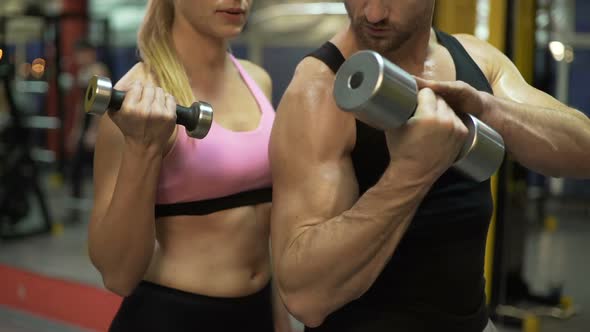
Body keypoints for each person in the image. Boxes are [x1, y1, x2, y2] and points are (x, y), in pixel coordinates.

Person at [269, 1, 590, 331]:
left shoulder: (476, 59)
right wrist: (411, 172)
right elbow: (306, 297)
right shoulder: (319, 90)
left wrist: (485, 108)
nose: (373, 14)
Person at [88, 0, 291, 331]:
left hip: (257, 311)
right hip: (173, 316)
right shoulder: (137, 98)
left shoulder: (258, 80)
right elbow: (117, 275)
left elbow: (263, 228)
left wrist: (278, 320)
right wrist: (143, 149)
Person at [68, 39, 109, 222]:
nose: (78, 58)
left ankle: (106, 210)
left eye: (81, 54)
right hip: (85, 126)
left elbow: (100, 105)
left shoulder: (98, 71)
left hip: (96, 126)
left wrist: (94, 131)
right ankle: (75, 209)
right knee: (76, 169)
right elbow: (81, 105)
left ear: (90, 53)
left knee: (100, 170)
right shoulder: (82, 73)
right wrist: (76, 130)